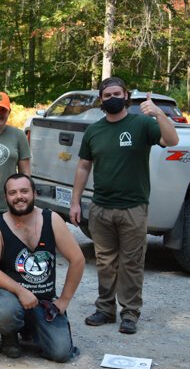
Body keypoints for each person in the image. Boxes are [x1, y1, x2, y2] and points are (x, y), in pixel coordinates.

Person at [70, 77, 178, 334]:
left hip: (133, 208)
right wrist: (75, 201)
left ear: (126, 96)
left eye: (117, 93)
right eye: (107, 96)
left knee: (131, 263)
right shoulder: (94, 131)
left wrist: (159, 113)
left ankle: (130, 313)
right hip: (101, 207)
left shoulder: (142, 124)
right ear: (101, 100)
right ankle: (105, 309)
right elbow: (84, 166)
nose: (112, 98)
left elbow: (172, 140)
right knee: (105, 262)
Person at [0, 173, 84, 362]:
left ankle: (30, 329)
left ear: (34, 193)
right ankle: (9, 336)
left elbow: (77, 259)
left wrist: (65, 299)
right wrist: (21, 291)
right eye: (13, 192)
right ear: (6, 197)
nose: (19, 196)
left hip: (43, 301)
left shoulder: (52, 219)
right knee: (5, 309)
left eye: (24, 191)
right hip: (10, 297)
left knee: (61, 353)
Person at [0, 91, 31, 232]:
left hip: (9, 205)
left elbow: (25, 173)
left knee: (9, 249)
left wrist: (27, 202)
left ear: (9, 111)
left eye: (2, 110)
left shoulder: (18, 135)